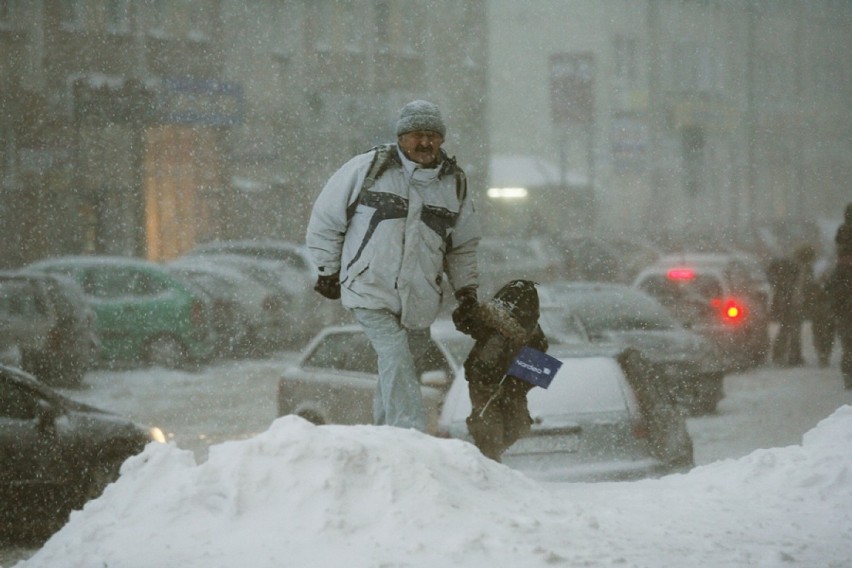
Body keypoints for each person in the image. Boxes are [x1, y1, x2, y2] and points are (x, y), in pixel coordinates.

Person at [305, 100, 481, 431]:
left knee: (399, 368)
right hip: (369, 287)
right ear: (401, 137)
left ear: (442, 140)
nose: (425, 143)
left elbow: (463, 246)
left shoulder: (453, 183)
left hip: (420, 298)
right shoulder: (367, 169)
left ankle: (386, 438)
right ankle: (409, 434)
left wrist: (467, 291)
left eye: (433, 136)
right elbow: (325, 221)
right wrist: (327, 271)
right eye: (417, 135)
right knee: (396, 355)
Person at [453, 279, 548, 462]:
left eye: (509, 328)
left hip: (510, 387)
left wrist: (509, 388)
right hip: (481, 380)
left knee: (518, 426)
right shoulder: (490, 323)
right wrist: (465, 306)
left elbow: (530, 378)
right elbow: (464, 322)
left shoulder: (537, 342)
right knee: (488, 427)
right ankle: (488, 462)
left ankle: (495, 463)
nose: (504, 332)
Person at [768, 245, 816, 366]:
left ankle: (788, 356)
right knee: (789, 329)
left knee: (789, 329)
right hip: (790, 303)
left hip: (791, 302)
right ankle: (787, 356)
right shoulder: (794, 267)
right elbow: (795, 286)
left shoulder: (801, 268)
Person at [827, 203, 852, 388]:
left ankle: (849, 376)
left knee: (848, 346)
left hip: (844, 312)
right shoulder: (840, 274)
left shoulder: (839, 273)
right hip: (845, 312)